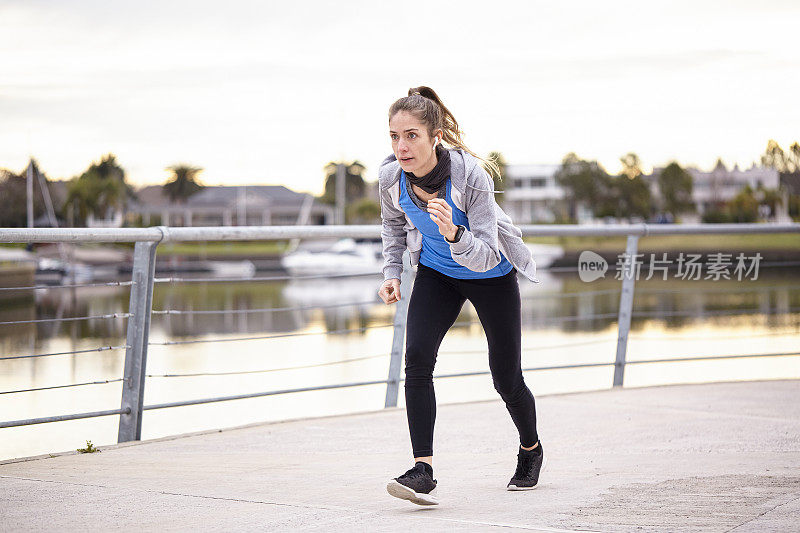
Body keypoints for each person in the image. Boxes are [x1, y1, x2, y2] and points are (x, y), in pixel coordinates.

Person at [377, 86, 546, 506]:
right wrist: (392, 273)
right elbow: (393, 229)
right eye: (395, 136)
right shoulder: (390, 179)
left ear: (435, 136)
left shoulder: (470, 176)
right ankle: (423, 470)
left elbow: (487, 250)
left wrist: (454, 232)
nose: (402, 146)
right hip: (437, 274)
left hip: (491, 273)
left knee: (506, 377)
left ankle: (531, 449)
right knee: (416, 358)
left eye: (412, 135)